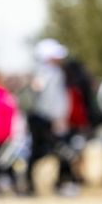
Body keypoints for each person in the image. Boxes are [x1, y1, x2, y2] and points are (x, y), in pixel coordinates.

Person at [25, 38, 70, 195]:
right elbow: (51, 99)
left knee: (46, 151)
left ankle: (41, 183)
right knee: (46, 150)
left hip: (44, 118)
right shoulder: (48, 73)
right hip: (44, 118)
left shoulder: (46, 73)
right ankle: (33, 184)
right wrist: (57, 118)